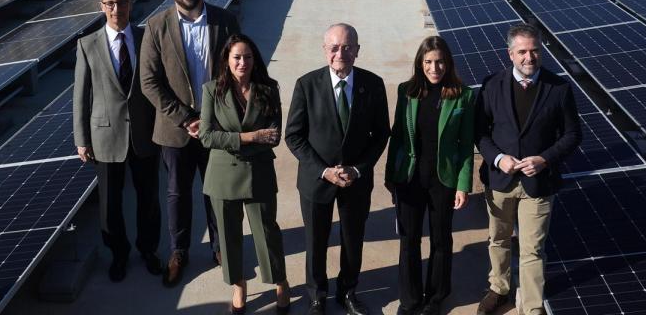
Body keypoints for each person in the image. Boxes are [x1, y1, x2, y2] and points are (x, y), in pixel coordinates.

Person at [140, 0, 241, 287]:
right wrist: (185, 118)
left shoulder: (225, 21)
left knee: (217, 192)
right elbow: (149, 81)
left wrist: (215, 118)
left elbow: (238, 72)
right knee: (177, 193)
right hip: (175, 129)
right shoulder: (157, 27)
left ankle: (221, 247)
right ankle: (179, 251)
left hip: (217, 127)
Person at [475, 24, 582, 315]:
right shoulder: (491, 85)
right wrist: (498, 159)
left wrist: (544, 159)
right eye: (522, 51)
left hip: (539, 183)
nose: (529, 57)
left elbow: (573, 135)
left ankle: (532, 307)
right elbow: (479, 133)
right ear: (510, 54)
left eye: (534, 50)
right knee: (498, 239)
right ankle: (499, 288)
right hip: (500, 180)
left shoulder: (558, 88)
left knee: (532, 249)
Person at [285, 23, 390, 315]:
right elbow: (293, 135)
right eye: (334, 47)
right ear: (324, 50)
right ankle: (317, 296)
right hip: (316, 181)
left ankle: (348, 292)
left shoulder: (373, 84)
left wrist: (358, 169)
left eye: (347, 47)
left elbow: (381, 134)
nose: (340, 53)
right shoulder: (306, 85)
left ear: (357, 50)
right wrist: (324, 171)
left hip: (355, 182)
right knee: (315, 241)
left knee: (352, 239)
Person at [73, 0, 162, 281]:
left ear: (130, 4)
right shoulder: (87, 44)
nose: (116, 9)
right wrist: (81, 139)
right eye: (109, 3)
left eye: (121, 2)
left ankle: (149, 250)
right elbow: (80, 96)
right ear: (101, 7)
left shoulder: (146, 37)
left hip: (144, 132)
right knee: (110, 204)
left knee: (148, 198)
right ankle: (119, 254)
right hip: (105, 136)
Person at [199, 34, 291, 315]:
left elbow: (274, 136)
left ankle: (279, 281)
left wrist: (234, 139)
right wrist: (250, 137)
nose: (242, 62)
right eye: (237, 57)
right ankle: (238, 284)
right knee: (228, 235)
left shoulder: (268, 89)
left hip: (259, 174)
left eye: (247, 57)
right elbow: (206, 135)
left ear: (255, 60)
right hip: (222, 177)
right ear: (226, 60)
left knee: (267, 232)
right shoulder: (211, 90)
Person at [385, 36, 475, 315]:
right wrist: (391, 177)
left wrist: (463, 185)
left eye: (439, 62)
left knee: (441, 239)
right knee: (409, 239)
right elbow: (398, 136)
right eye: (428, 62)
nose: (434, 68)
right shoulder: (406, 92)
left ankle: (435, 297)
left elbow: (466, 145)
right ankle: (409, 300)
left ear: (447, 63)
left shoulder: (463, 95)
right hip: (410, 178)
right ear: (420, 63)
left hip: (443, 179)